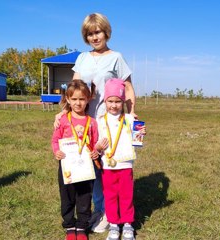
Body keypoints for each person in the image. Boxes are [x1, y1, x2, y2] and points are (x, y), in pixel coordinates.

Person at [55, 12, 137, 233]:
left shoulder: (116, 57)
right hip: (83, 122)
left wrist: (131, 115)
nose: (94, 37)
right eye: (90, 34)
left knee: (105, 168)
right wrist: (63, 112)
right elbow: (74, 88)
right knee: (89, 168)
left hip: (108, 122)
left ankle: (109, 215)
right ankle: (98, 210)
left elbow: (127, 87)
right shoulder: (82, 58)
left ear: (106, 32)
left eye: (98, 32)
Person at [95, 78, 146, 240]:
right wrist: (98, 148)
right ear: (105, 101)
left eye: (118, 101)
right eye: (110, 101)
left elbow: (137, 141)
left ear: (123, 101)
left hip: (125, 165)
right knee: (109, 196)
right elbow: (95, 142)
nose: (114, 105)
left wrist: (140, 133)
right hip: (107, 166)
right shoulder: (100, 121)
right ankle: (114, 225)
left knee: (126, 195)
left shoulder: (130, 119)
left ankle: (128, 224)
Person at [52, 80, 99, 240]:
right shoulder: (63, 120)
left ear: (88, 99)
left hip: (86, 167)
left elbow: (95, 144)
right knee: (67, 196)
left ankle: (82, 226)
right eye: (74, 99)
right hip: (67, 167)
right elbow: (55, 140)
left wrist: (95, 152)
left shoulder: (92, 122)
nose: (78, 103)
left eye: (81, 99)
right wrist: (57, 151)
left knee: (85, 197)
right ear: (68, 100)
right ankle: (69, 225)